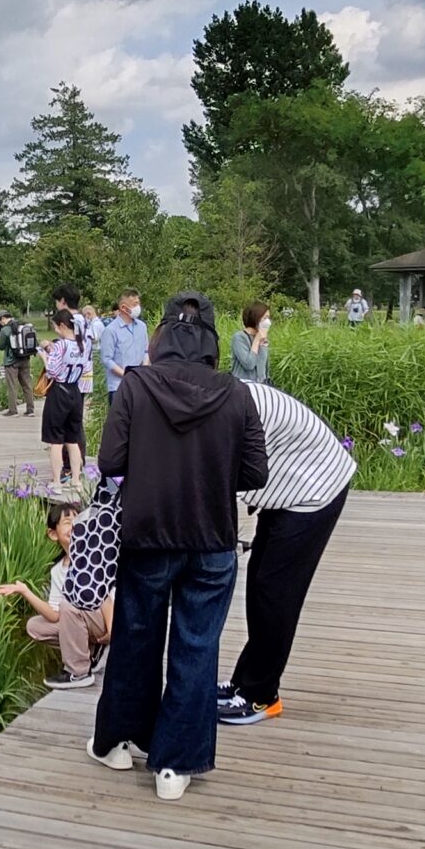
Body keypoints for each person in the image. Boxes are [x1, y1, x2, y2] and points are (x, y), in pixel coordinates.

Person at [90, 293, 266, 801]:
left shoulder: (136, 387)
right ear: (212, 341)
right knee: (197, 646)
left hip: (147, 534)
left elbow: (110, 461)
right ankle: (174, 766)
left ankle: (119, 743)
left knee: (136, 638)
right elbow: (256, 472)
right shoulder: (236, 393)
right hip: (211, 539)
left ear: (162, 336)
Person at [215, 383, 355, 726]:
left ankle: (262, 695)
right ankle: (244, 681)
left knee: (276, 594)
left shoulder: (230, 413)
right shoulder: (222, 399)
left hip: (315, 490)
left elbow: (218, 481)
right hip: (290, 488)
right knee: (261, 582)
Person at [0, 491, 121, 690]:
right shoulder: (58, 570)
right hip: (83, 618)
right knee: (36, 626)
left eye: (77, 520)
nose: (74, 525)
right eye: (67, 522)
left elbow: (107, 597)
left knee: (70, 604)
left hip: (110, 618)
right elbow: (54, 616)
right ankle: (91, 651)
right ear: (53, 534)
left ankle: (78, 672)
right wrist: (26, 591)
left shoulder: (94, 556)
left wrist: (112, 631)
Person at [39, 309, 90, 493]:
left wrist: (44, 355)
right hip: (75, 390)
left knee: (56, 440)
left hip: (59, 391)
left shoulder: (61, 345)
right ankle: (76, 480)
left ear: (61, 325)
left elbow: (52, 370)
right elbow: (85, 367)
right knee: (73, 438)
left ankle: (56, 482)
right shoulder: (83, 344)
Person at [99, 290, 149, 398]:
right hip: (118, 387)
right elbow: (107, 359)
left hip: (140, 384)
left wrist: (144, 369)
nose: (138, 307)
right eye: (135, 304)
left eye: (138, 303)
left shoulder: (142, 327)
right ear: (123, 308)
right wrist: (125, 375)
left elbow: (146, 351)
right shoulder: (110, 330)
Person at [0, 309, 38, 416]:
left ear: (3, 319)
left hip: (11, 361)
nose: (0, 324)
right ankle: (30, 409)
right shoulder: (23, 326)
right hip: (25, 359)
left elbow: (1, 347)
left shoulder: (5, 330)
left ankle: (13, 410)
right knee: (27, 385)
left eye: (0, 321)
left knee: (12, 386)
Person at [231, 302, 271, 384]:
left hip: (259, 387)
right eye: (265, 318)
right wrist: (256, 340)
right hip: (243, 387)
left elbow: (262, 366)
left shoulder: (262, 337)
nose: (268, 321)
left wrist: (262, 341)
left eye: (268, 318)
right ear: (256, 318)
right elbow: (249, 364)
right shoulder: (239, 337)